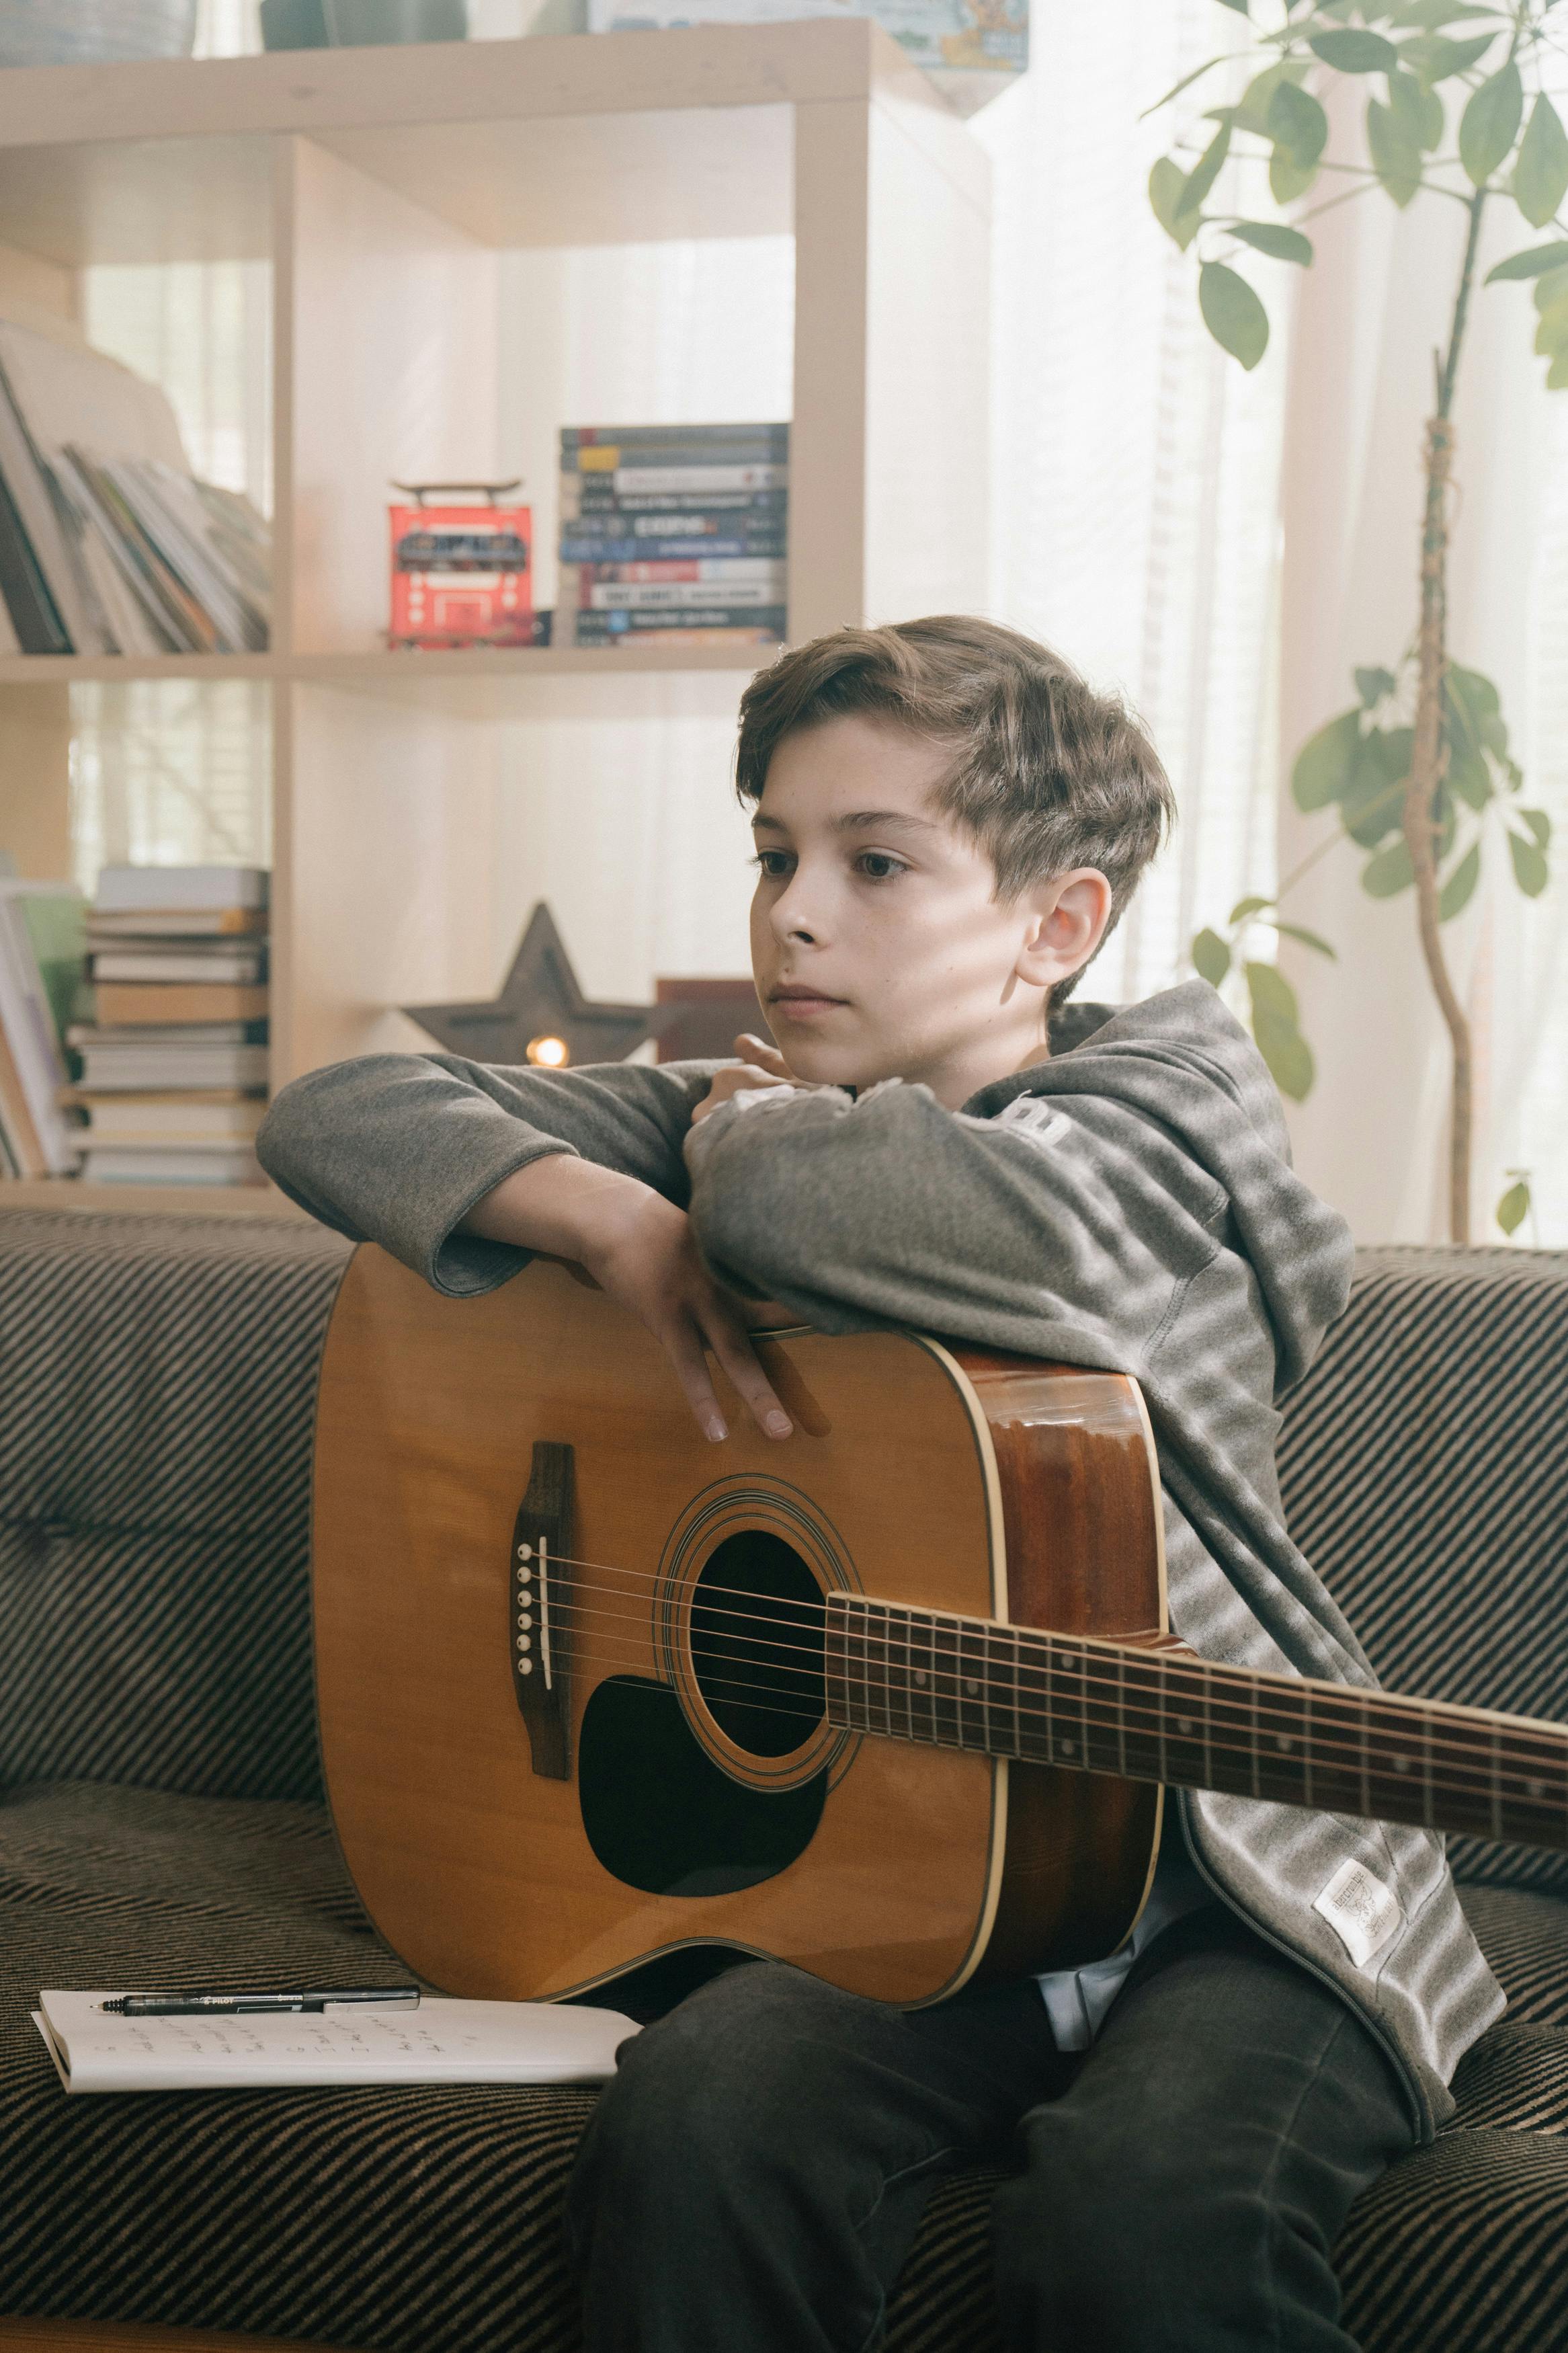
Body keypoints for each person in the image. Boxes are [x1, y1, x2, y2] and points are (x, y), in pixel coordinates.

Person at [257, 615, 1502, 2352]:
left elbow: (885, 1206)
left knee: (1144, 2219)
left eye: (876, 861)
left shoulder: (1161, 1120)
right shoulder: (755, 1107)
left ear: (1056, 925)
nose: (792, 910)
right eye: (774, 851)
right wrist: (615, 1216)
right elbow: (336, 1110)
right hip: (950, 1867)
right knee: (698, 2125)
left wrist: (717, 1151)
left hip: (1250, 1871)